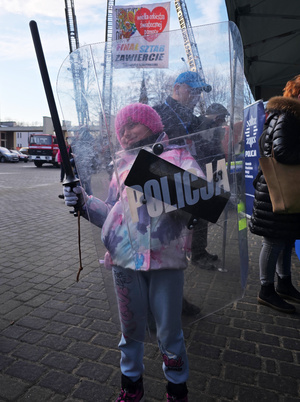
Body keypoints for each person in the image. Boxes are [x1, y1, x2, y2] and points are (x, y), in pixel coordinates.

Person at [63, 103, 205, 402]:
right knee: (130, 329)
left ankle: (177, 388)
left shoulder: (179, 155)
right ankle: (131, 385)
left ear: (151, 125)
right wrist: (84, 202)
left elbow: (198, 192)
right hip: (125, 260)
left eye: (132, 125)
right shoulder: (119, 166)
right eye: (121, 129)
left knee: (169, 331)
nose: (125, 133)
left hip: (166, 259)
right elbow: (113, 214)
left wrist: (150, 171)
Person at [154, 71, 218, 270]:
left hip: (192, 172)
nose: (196, 96)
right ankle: (170, 260)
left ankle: (198, 252)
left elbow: (201, 145)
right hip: (167, 176)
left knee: (201, 212)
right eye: (192, 91)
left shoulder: (192, 117)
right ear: (177, 88)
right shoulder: (157, 112)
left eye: (199, 92)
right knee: (171, 221)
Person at [249, 74, 300, 313]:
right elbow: (280, 152)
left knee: (286, 239)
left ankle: (284, 284)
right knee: (274, 241)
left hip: (279, 189)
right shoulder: (289, 116)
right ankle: (266, 290)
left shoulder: (285, 116)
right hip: (276, 189)